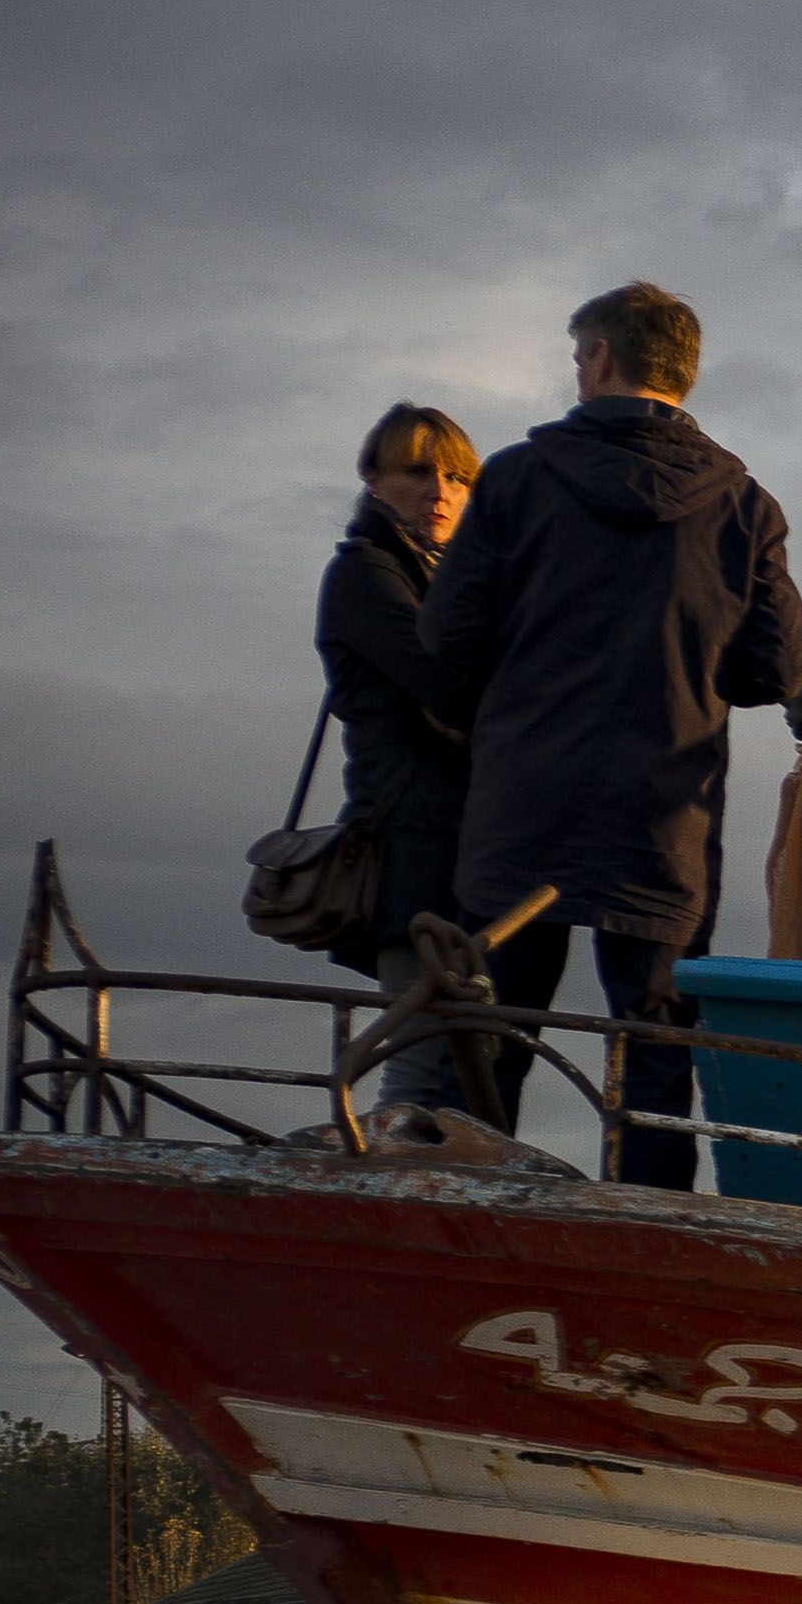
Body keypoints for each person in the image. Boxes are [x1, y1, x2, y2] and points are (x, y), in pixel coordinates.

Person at [417, 281, 802, 1179]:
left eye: (577, 357)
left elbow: (446, 633)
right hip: (666, 817)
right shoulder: (745, 505)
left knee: (487, 1041)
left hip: (522, 801)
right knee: (655, 1056)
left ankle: (467, 1217)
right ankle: (642, 1229)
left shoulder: (516, 478)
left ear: (598, 358)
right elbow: (778, 671)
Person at [318, 405, 483, 1108]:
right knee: (421, 1069)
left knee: (465, 1068)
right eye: (417, 471)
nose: (439, 491)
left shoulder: (452, 580)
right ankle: (383, 1173)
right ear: (374, 480)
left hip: (468, 846)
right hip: (412, 845)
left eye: (457, 477)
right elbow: (453, 691)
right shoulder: (366, 573)